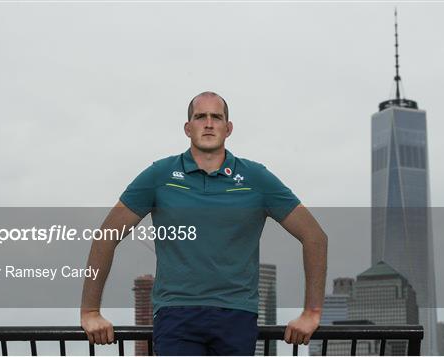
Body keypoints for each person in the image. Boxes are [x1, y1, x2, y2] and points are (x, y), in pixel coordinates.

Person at [80, 91, 328, 355]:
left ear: (228, 128)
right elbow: (107, 235)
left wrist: (311, 312)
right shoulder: (159, 175)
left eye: (216, 117)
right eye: (200, 117)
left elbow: (315, 237)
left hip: (237, 316)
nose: (208, 123)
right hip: (176, 316)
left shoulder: (256, 178)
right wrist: (91, 311)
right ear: (188, 128)